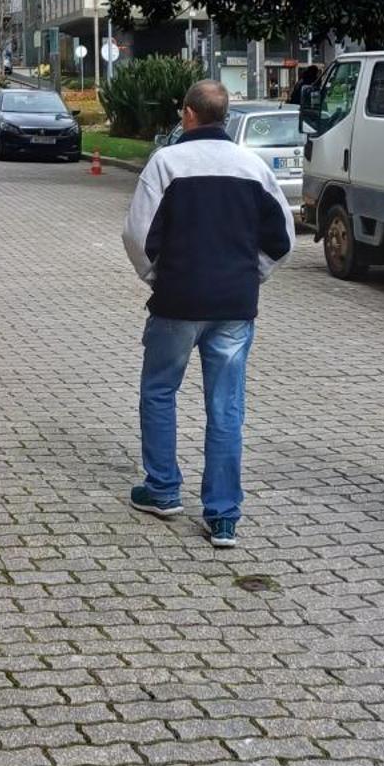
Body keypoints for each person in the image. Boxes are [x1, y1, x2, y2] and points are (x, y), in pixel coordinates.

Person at [122, 78, 294, 546]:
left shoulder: (166, 163)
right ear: (227, 117)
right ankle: (222, 515)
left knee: (159, 391)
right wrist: (250, 275)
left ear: (188, 114)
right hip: (235, 308)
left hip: (177, 302)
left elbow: (137, 235)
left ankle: (162, 490)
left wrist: (158, 277)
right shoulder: (252, 167)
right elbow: (283, 240)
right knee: (226, 407)